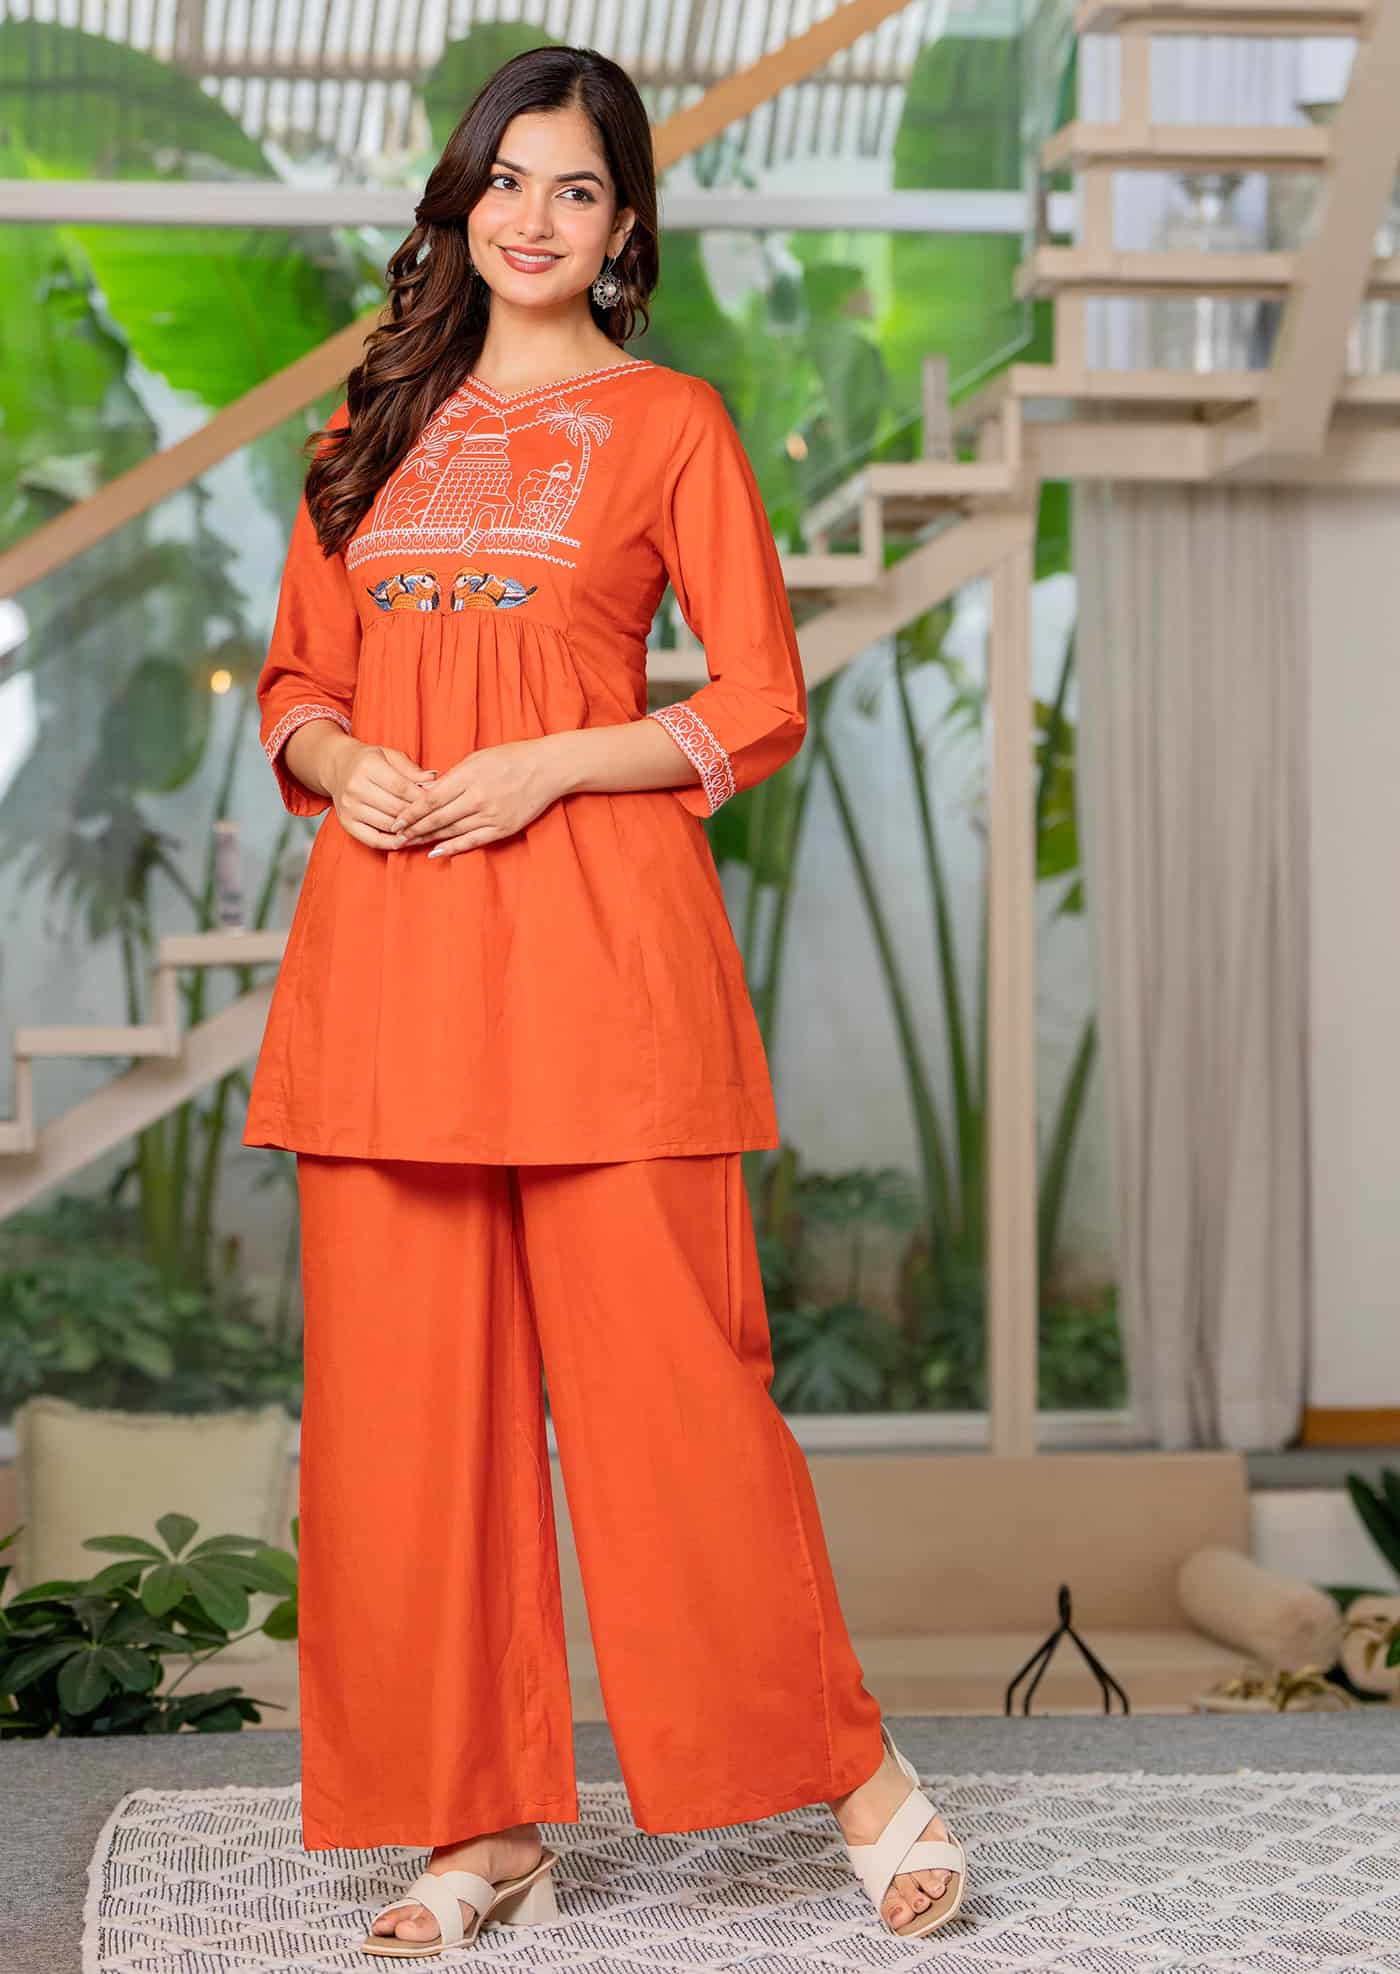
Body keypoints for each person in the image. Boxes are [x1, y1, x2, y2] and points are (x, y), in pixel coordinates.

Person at [242, 40, 968, 1956]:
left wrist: (559, 760)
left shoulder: (673, 426)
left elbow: (757, 698)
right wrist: (343, 766)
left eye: (576, 189)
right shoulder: (367, 423)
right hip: (388, 962)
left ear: (624, 224)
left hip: (599, 961)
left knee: (678, 1401)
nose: (534, 218)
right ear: (461, 202)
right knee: (405, 1419)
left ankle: (860, 1772)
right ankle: (484, 1829)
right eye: (506, 181)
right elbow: (294, 684)